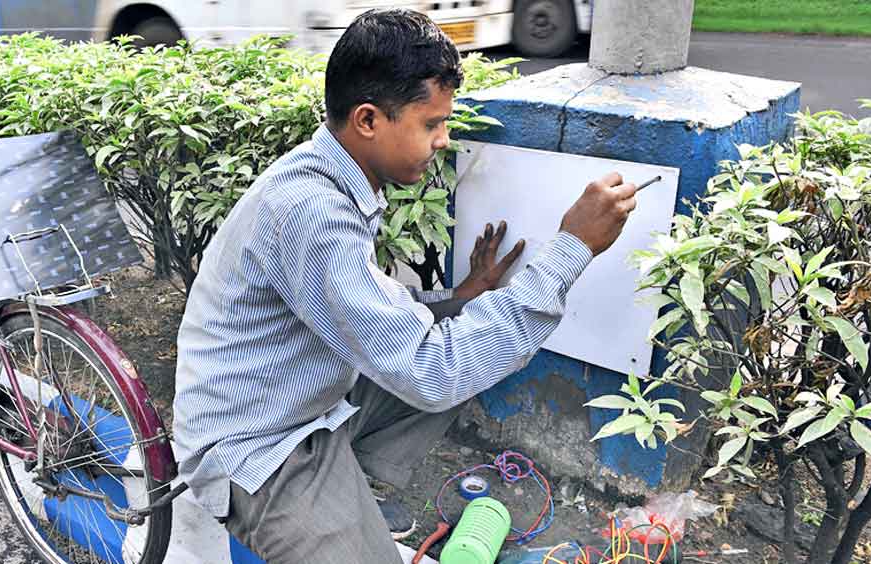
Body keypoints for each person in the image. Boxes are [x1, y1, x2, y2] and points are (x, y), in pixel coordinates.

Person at [173, 8, 637, 563]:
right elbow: (430, 373)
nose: (443, 140)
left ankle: (347, 490)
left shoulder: (337, 174)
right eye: (430, 124)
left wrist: (461, 297)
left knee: (464, 340)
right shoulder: (310, 211)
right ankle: (321, 505)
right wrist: (572, 248)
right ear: (368, 119)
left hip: (303, 391)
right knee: (448, 366)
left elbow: (369, 312)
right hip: (260, 444)